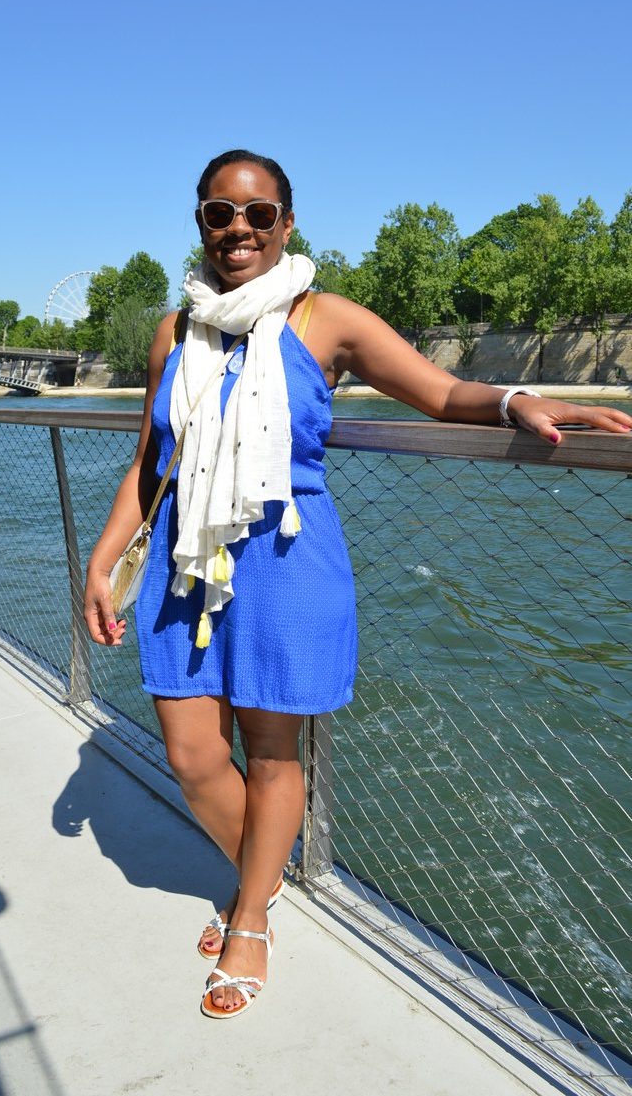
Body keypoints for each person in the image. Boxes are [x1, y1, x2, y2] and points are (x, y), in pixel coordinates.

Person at [84, 148, 632, 1020]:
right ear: (199, 221)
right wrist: (104, 555)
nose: (237, 230)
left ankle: (251, 914)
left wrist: (523, 400)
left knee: (270, 755)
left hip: (286, 560)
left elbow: (442, 390)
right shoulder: (174, 330)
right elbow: (152, 457)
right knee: (192, 756)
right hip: (187, 560)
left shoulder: (323, 318)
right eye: (219, 213)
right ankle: (257, 883)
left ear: (286, 224)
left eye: (257, 214)